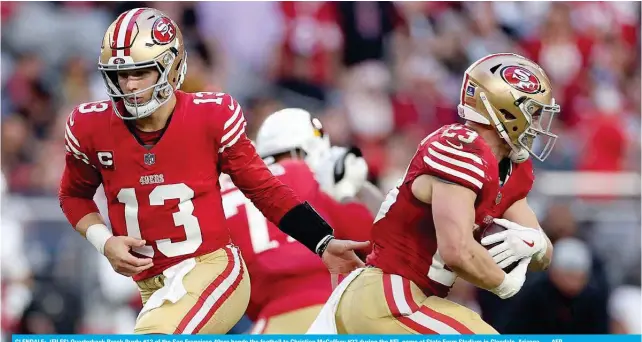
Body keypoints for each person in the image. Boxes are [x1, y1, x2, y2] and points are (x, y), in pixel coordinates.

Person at [58, 8, 367, 335]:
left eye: (141, 72)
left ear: (170, 66)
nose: (128, 85)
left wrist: (321, 240)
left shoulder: (211, 116)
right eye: (120, 75)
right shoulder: (89, 126)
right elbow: (73, 195)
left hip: (212, 268)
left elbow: (265, 190)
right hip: (153, 284)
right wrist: (104, 241)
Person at [308, 53, 557, 334]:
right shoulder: (462, 148)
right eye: (533, 111)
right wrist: (503, 283)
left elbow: (545, 251)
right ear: (504, 109)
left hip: (408, 300)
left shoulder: (510, 168)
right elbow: (456, 251)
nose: (538, 123)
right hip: (388, 297)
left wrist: (532, 243)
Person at [222, 108, 381, 334]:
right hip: (334, 307)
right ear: (310, 149)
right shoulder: (302, 173)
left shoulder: (227, 191)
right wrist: (347, 193)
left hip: (269, 321)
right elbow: (374, 239)